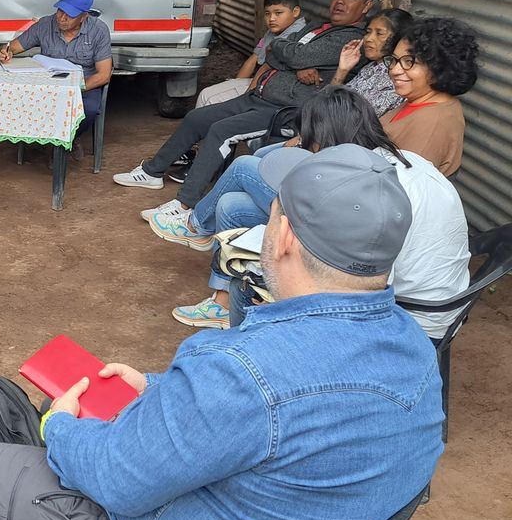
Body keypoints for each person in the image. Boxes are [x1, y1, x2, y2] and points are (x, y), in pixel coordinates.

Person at [0, 143, 444, 520]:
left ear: (282, 235)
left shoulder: (236, 369)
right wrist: (158, 388)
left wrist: (60, 427)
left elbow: (119, 480)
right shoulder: (416, 348)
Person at [149, 87, 470, 337]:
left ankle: (260, 362)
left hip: (410, 315)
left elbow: (364, 287)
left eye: (311, 146)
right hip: (427, 294)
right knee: (234, 209)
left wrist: (283, 292)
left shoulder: (373, 192)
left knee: (251, 282)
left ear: (327, 144)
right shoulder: (397, 162)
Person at [117, 0, 375, 220]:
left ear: (367, 6)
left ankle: (185, 204)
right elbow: (273, 51)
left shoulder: (351, 39)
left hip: (284, 110)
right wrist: (293, 61)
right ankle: (153, 172)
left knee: (221, 131)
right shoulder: (318, 25)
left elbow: (292, 54)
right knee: (197, 118)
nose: (340, 1)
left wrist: (292, 56)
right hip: (260, 96)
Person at [0, 0, 112, 142]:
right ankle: (46, 140)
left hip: (83, 86)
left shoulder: (99, 30)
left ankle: (69, 140)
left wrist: (73, 88)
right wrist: (6, 51)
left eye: (70, 15)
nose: (62, 18)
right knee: (21, 101)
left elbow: (103, 75)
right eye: (60, 11)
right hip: (48, 85)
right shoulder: (45, 24)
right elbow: (13, 47)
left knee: (89, 109)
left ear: (84, 16)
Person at [379, 16, 480, 177]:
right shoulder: (419, 100)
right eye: (395, 60)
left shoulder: (432, 123)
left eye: (409, 61)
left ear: (440, 67)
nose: (394, 70)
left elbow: (401, 188)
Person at [194, 0, 306, 109]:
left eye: (278, 13)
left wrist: (245, 99)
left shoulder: (297, 34)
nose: (272, 19)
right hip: (258, 81)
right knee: (206, 95)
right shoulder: (273, 32)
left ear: (295, 12)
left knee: (210, 100)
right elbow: (254, 58)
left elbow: (266, 68)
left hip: (272, 88)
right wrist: (235, 82)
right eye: (267, 14)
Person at [327, 8, 413, 118]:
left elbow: (354, 119)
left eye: (379, 33)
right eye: (368, 32)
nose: (368, 38)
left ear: (399, 38)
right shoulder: (370, 67)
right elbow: (327, 102)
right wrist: (342, 69)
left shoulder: (398, 77)